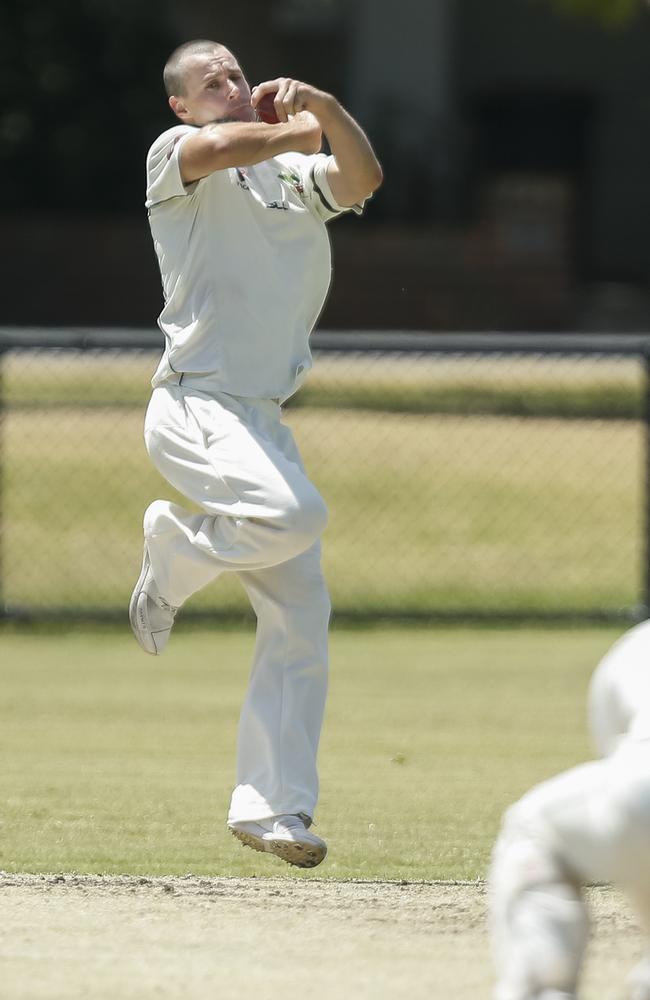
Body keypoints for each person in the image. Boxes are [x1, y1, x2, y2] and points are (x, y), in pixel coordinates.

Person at [129, 39, 382, 869]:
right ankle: (178, 549)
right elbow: (236, 145)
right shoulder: (178, 155)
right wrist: (299, 125)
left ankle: (272, 808)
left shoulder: (294, 174)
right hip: (196, 402)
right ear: (181, 106)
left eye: (237, 74)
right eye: (212, 83)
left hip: (261, 418)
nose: (233, 88)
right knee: (294, 514)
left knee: (302, 617)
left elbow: (361, 179)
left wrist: (329, 109)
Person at [489, 618, 650, 999]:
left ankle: (544, 988)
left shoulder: (637, 643)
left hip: (639, 795)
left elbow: (624, 776)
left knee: (534, 827)